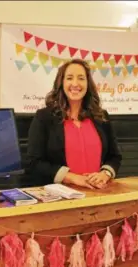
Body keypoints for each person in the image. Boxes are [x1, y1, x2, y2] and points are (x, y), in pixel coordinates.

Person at [26, 58, 122, 189]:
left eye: (81, 78)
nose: (75, 83)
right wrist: (73, 178)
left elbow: (115, 156)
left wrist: (105, 174)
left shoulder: (101, 116)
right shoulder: (44, 117)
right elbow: (33, 163)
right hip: (61, 198)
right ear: (61, 83)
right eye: (69, 78)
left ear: (88, 83)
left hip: (98, 194)